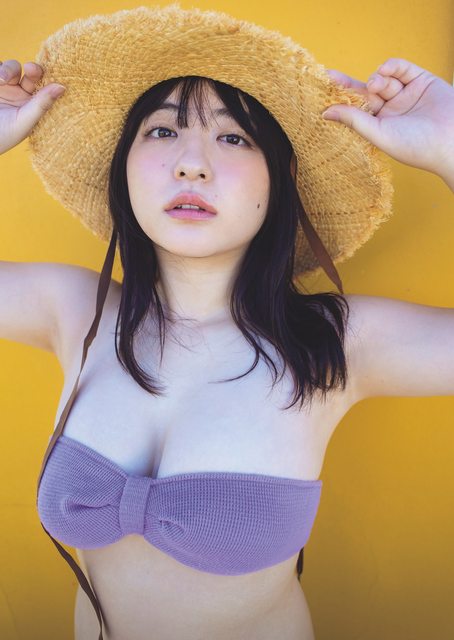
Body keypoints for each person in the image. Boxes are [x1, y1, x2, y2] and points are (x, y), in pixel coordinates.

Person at [0, 5, 453, 640]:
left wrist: (451, 146)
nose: (192, 163)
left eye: (235, 138)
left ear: (279, 181)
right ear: (123, 167)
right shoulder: (75, 311)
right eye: (162, 131)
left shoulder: (336, 343)